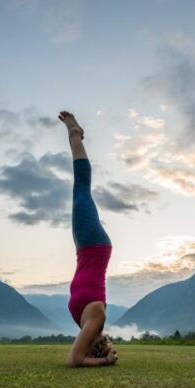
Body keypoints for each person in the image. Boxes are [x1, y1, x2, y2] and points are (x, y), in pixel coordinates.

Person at [58, 110, 118, 368]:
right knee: (81, 188)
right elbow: (75, 360)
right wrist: (105, 359)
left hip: (86, 249)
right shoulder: (96, 319)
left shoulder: (89, 323)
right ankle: (74, 134)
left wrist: (104, 360)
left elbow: (74, 360)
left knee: (81, 190)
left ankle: (74, 135)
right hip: (93, 248)